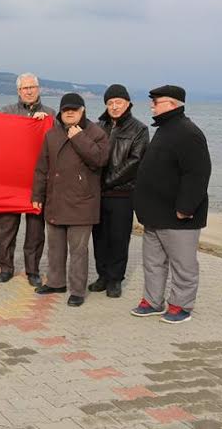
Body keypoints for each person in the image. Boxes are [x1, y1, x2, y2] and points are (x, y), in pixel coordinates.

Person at [131, 85, 211, 324]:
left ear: (173, 104)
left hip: (178, 216)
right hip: (154, 214)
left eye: (156, 101)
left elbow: (198, 173)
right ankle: (153, 301)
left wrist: (186, 208)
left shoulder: (188, 132)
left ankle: (180, 305)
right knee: (153, 262)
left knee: (183, 264)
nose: (151, 105)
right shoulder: (165, 129)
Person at [32, 93, 109, 307]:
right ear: (60, 111)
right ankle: (56, 282)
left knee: (78, 251)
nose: (70, 112)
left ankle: (77, 290)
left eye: (74, 109)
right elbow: (42, 168)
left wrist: (78, 137)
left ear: (83, 110)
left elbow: (100, 160)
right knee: (55, 247)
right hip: (55, 199)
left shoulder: (95, 132)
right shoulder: (52, 134)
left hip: (82, 202)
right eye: (66, 109)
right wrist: (37, 195)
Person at [0, 73, 56, 287]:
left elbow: (57, 143)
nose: (29, 91)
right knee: (6, 228)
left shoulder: (50, 114)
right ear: (18, 91)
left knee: (35, 231)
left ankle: (32, 270)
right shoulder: (6, 112)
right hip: (10, 181)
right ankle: (5, 267)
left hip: (37, 183)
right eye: (25, 88)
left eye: (33, 87)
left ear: (38, 89)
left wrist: (44, 124)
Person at [89, 84, 149, 298]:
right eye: (110, 103)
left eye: (119, 103)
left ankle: (115, 279)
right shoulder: (98, 126)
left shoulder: (139, 129)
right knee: (99, 237)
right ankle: (102, 275)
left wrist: (108, 181)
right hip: (98, 193)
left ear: (127, 103)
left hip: (123, 193)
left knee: (119, 237)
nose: (114, 107)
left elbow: (135, 162)